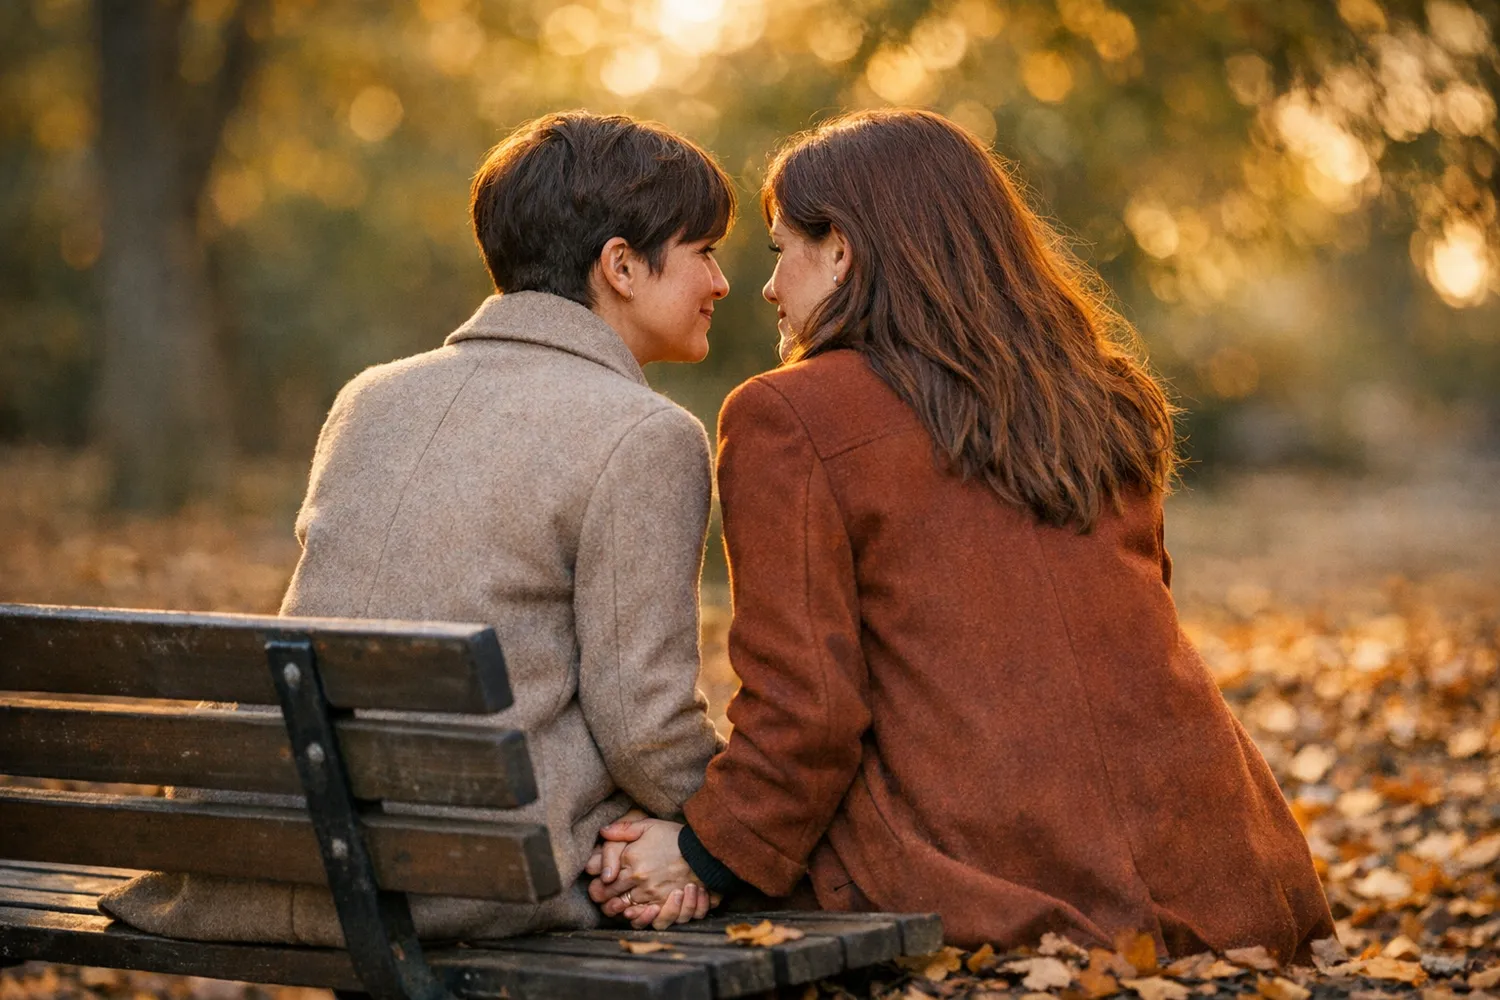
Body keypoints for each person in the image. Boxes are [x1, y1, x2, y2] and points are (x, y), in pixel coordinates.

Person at [587, 109, 1335, 960]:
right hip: (1235, 885)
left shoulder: (787, 416)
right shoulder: (1105, 395)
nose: (765, 286)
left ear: (845, 251)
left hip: (998, 899)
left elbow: (810, 716)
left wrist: (698, 853)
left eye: (777, 249)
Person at [100, 110, 729, 945]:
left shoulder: (372, 397)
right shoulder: (647, 435)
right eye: (706, 252)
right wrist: (732, 837)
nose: (721, 283)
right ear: (620, 265)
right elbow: (646, 731)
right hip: (457, 880)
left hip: (265, 855)